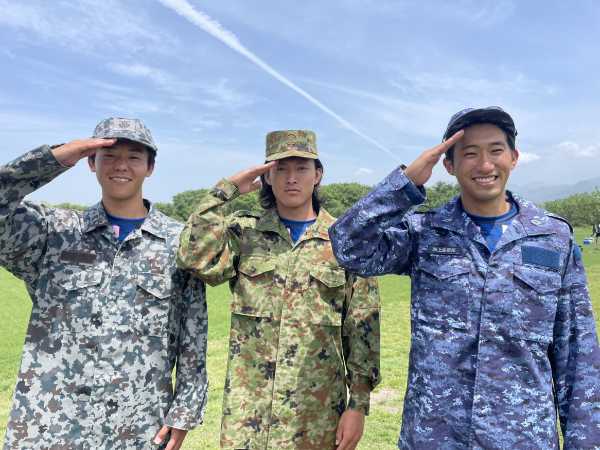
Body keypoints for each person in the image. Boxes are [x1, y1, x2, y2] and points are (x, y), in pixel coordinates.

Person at [329, 107, 600, 449]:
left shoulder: (552, 238)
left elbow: (577, 355)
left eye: (496, 150)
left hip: (521, 439)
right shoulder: (426, 232)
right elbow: (348, 246)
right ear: (449, 165)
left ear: (514, 158)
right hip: (434, 437)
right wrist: (405, 185)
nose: (485, 165)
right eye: (470, 153)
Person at [0, 118, 208, 450]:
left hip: (138, 423)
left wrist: (185, 409)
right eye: (109, 155)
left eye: (134, 156)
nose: (121, 165)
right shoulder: (54, 232)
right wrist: (54, 158)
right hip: (51, 423)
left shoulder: (178, 241)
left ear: (150, 168)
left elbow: (193, 332)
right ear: (90, 162)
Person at [177, 130, 380, 449]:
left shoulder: (344, 241)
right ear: (267, 177)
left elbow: (362, 327)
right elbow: (194, 258)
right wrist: (225, 190)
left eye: (301, 168)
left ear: (318, 174)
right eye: (280, 169)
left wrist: (358, 405)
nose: (291, 178)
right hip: (248, 416)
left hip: (315, 415)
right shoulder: (245, 233)